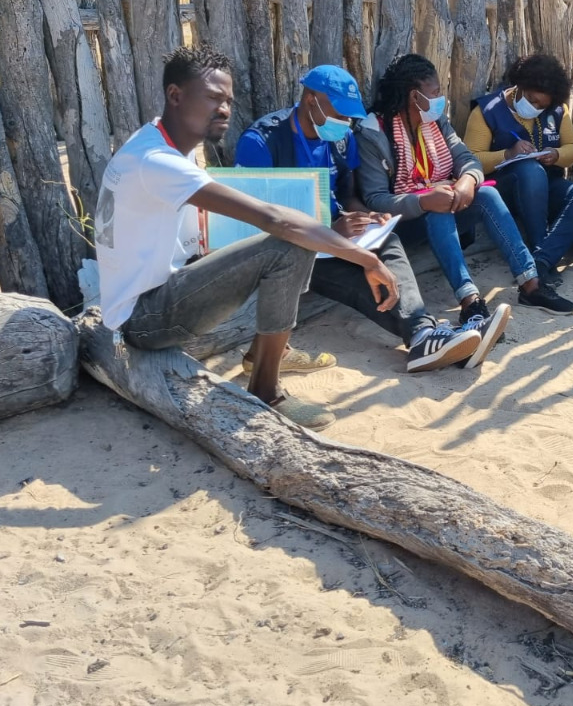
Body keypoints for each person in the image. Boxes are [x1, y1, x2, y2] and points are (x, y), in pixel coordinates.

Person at [94, 46, 399, 430]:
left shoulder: (158, 142)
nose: (224, 109)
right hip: (144, 319)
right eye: (213, 98)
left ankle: (267, 352)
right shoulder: (158, 162)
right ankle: (266, 392)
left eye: (228, 100)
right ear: (176, 96)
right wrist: (367, 259)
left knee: (283, 243)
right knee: (290, 242)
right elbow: (274, 219)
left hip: (156, 292)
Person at [235, 65, 483, 372]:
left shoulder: (341, 139)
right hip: (289, 249)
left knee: (387, 238)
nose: (346, 122)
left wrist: (364, 216)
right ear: (311, 99)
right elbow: (255, 222)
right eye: (340, 114)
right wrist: (329, 231)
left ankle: (423, 335)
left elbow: (348, 194)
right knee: (357, 278)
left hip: (334, 237)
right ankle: (424, 334)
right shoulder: (262, 141)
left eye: (349, 115)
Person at [356, 54, 573, 356]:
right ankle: (470, 303)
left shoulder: (435, 121)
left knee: (486, 194)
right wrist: (424, 200)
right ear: (413, 96)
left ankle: (531, 284)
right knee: (438, 211)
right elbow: (375, 200)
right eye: (434, 93)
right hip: (402, 223)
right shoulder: (374, 132)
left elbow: (468, 159)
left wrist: (467, 181)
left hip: (442, 201)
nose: (440, 99)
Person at [463, 54, 573, 286]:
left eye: (542, 106)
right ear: (519, 86)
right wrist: (508, 154)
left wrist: (556, 155)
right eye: (531, 100)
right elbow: (471, 159)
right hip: (504, 192)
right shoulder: (487, 110)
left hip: (547, 184)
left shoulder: (557, 110)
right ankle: (538, 246)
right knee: (529, 170)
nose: (535, 108)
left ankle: (541, 261)